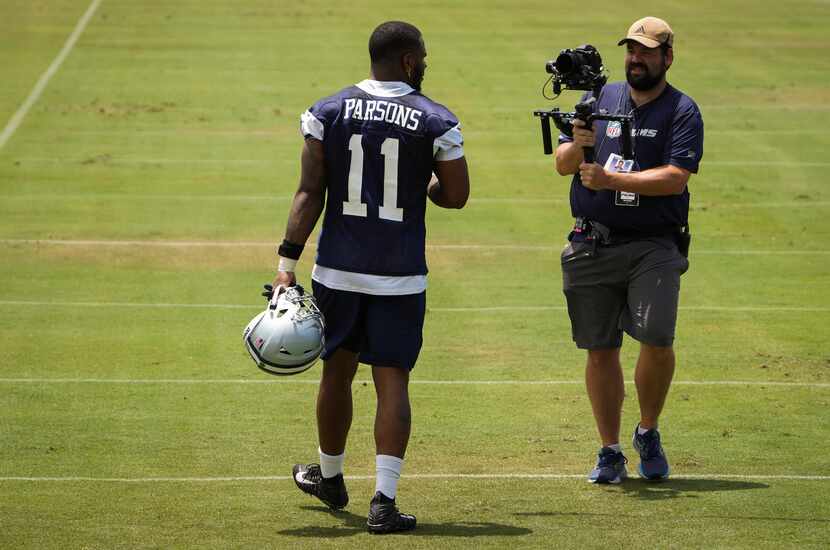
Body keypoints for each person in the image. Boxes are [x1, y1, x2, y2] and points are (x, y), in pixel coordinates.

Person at [273, 21, 469, 532]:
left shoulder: (327, 111)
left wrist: (286, 264)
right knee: (392, 381)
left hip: (337, 270)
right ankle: (384, 500)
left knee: (335, 373)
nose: (425, 64)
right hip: (400, 275)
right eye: (422, 57)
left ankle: (331, 478)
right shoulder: (436, 119)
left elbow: (308, 193)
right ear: (408, 61)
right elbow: (456, 195)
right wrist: (424, 182)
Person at [554, 16, 704, 483]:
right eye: (631, 50)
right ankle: (610, 450)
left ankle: (648, 429)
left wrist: (611, 178)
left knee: (657, 338)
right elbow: (562, 164)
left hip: (653, 245)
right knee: (600, 349)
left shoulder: (682, 110)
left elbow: (676, 177)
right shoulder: (600, 97)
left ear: (667, 57)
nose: (636, 58)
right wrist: (581, 144)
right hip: (592, 240)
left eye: (646, 51)